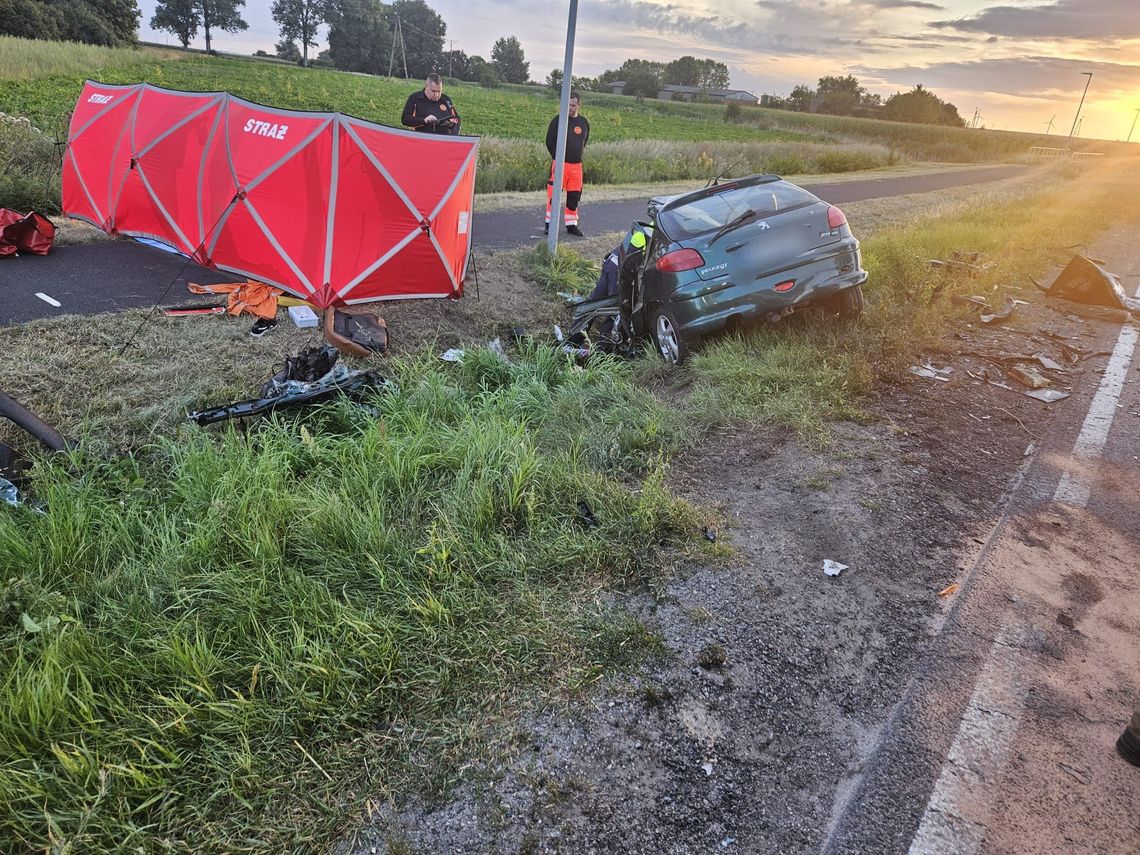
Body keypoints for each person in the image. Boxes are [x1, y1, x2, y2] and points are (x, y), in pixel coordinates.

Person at [545, 92, 589, 236]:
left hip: (577, 167)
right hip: (560, 164)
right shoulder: (558, 120)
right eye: (568, 104)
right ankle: (549, 225)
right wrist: (557, 157)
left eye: (573, 105)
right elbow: (549, 141)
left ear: (579, 106)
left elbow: (584, 141)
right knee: (554, 196)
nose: (570, 108)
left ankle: (571, 225)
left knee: (574, 196)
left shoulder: (583, 123)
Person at [588, 222, 653, 301]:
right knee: (612, 303)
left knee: (594, 300)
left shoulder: (649, 227)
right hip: (618, 269)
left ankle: (579, 310)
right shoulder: (655, 234)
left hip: (612, 261)